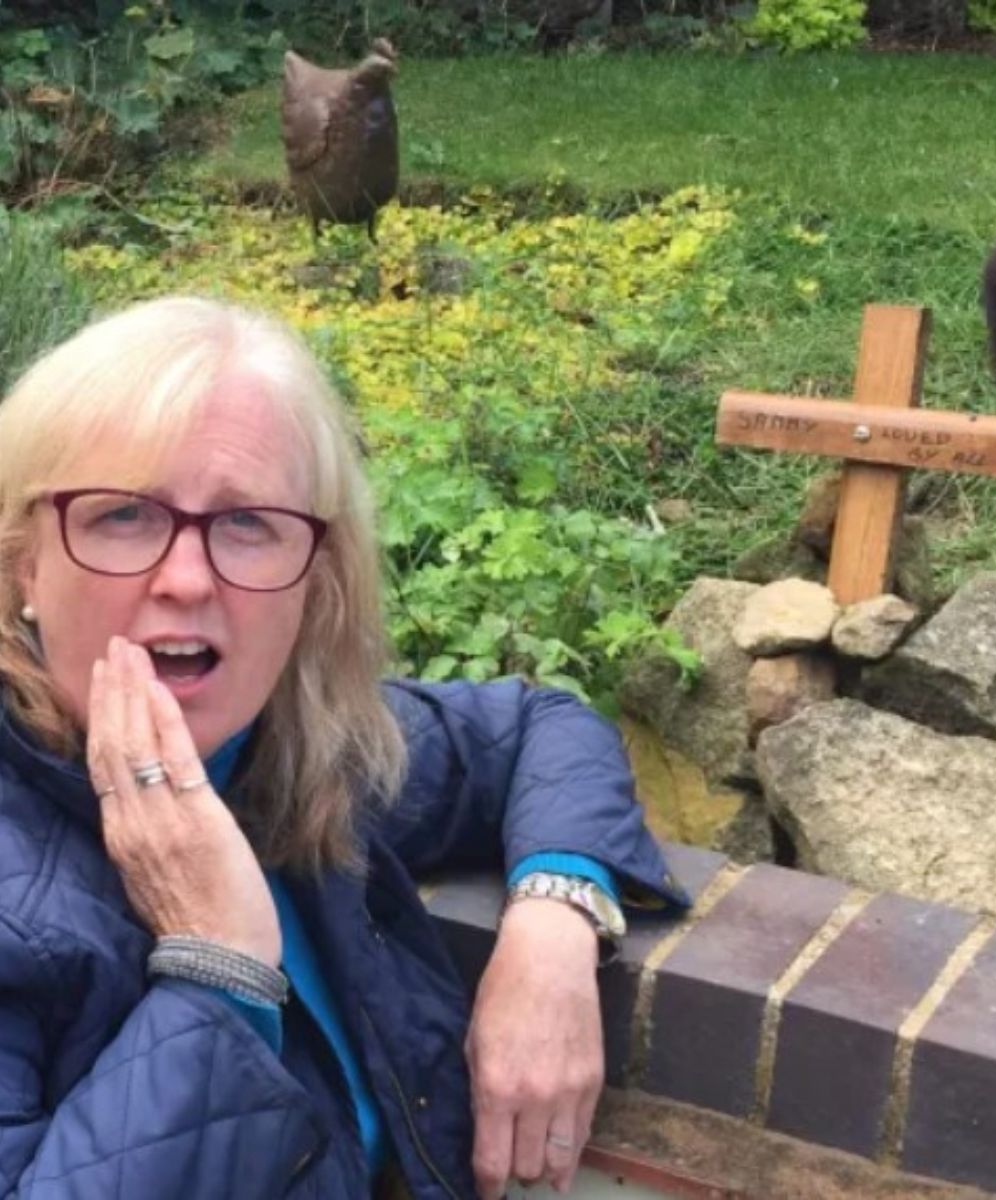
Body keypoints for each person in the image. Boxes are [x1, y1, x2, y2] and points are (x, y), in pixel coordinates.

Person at [0, 296, 687, 1200]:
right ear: (23, 565)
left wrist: (553, 926)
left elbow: (535, 729)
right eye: (123, 514)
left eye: (248, 524)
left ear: (313, 584)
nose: (186, 578)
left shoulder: (294, 756)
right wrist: (216, 969)